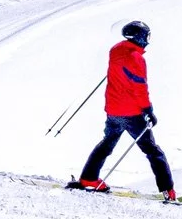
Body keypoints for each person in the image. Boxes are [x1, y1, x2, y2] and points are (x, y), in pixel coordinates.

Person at [75, 21, 176, 200]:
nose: (147, 40)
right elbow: (139, 87)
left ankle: (88, 178)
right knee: (153, 151)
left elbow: (120, 73)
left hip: (113, 109)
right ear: (139, 37)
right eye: (146, 36)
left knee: (107, 144)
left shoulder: (115, 50)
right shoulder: (136, 58)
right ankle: (168, 190)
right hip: (132, 113)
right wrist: (148, 110)